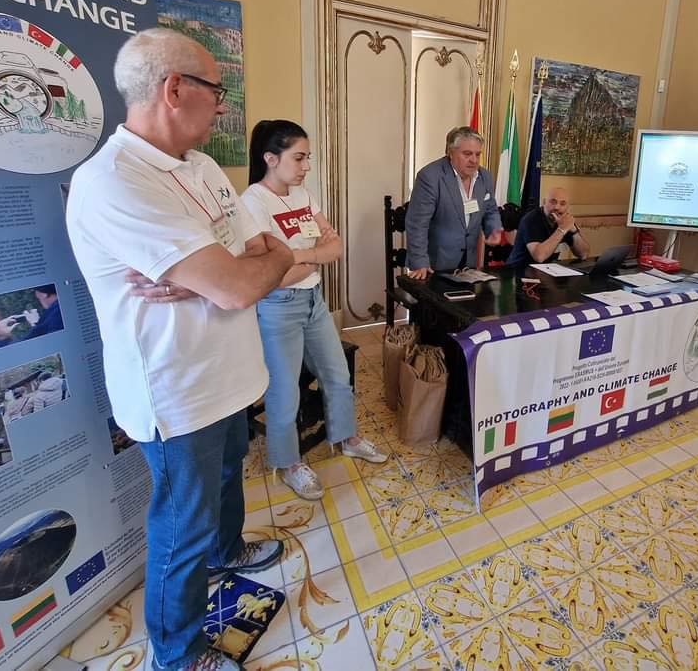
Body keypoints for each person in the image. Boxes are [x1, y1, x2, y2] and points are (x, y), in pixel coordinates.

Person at [66, 28, 299, 671]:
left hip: (229, 375)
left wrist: (239, 270)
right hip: (177, 391)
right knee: (182, 527)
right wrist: (233, 275)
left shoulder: (201, 168)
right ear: (174, 89)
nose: (223, 106)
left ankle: (229, 551)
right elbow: (238, 284)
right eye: (217, 91)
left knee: (228, 478)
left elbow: (270, 251)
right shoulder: (113, 181)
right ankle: (178, 653)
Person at [240, 120, 387, 500]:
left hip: (312, 300)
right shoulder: (253, 202)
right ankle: (288, 463)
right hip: (278, 308)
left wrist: (299, 257)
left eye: (308, 158)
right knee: (284, 390)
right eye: (299, 158)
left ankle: (347, 437)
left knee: (337, 374)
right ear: (271, 158)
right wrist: (314, 256)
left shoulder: (303, 194)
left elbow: (336, 248)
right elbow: (272, 277)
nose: (306, 166)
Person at [405, 126, 504, 278]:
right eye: (467, 154)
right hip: (434, 265)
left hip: (469, 264)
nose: (474, 160)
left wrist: (493, 228)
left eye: (477, 154)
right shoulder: (430, 177)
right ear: (451, 152)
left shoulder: (485, 177)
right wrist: (419, 262)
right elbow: (417, 223)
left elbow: (490, 209)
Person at [505, 187, 591, 268]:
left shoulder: (565, 220)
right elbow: (539, 257)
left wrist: (574, 231)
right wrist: (561, 230)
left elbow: (584, 254)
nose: (557, 207)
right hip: (518, 270)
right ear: (544, 202)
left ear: (568, 207)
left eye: (562, 204)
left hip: (546, 269)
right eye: (553, 202)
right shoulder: (530, 219)